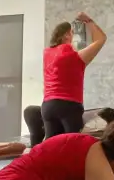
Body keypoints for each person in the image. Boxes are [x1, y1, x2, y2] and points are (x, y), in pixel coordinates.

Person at [39, 13, 106, 141]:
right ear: (66, 35)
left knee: (51, 146)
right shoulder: (75, 57)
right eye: (72, 33)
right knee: (73, 144)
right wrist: (88, 21)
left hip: (48, 106)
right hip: (68, 106)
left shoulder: (47, 54)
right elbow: (101, 39)